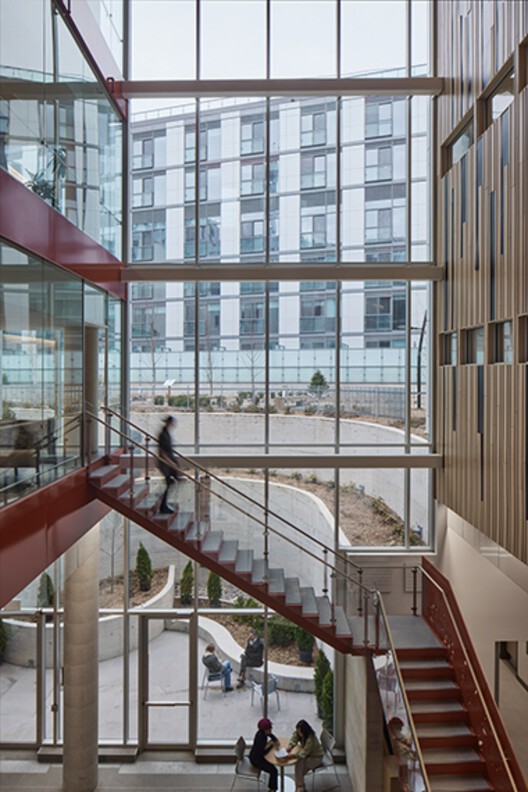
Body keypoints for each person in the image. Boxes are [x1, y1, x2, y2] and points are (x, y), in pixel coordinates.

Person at [286, 719, 324, 792]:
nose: (299, 733)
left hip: (316, 757)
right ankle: (300, 785)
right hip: (308, 755)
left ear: (304, 731)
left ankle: (300, 786)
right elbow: (295, 736)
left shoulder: (310, 739)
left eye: (300, 732)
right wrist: (291, 745)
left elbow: (304, 753)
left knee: (299, 768)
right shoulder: (301, 734)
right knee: (299, 765)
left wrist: (292, 756)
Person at [157, 415, 182, 514]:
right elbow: (162, 452)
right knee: (169, 482)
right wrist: (171, 463)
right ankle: (163, 506)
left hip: (168, 462)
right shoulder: (163, 434)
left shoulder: (166, 433)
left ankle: (164, 505)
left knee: (171, 482)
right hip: (165, 463)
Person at [248, 717, 279, 792]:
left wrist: (275, 740)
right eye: (269, 729)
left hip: (257, 756)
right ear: (265, 729)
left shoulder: (262, 733)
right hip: (256, 760)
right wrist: (271, 745)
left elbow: (270, 735)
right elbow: (263, 752)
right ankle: (272, 789)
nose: (271, 730)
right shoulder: (261, 737)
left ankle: (272, 787)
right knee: (274, 770)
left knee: (273, 769)